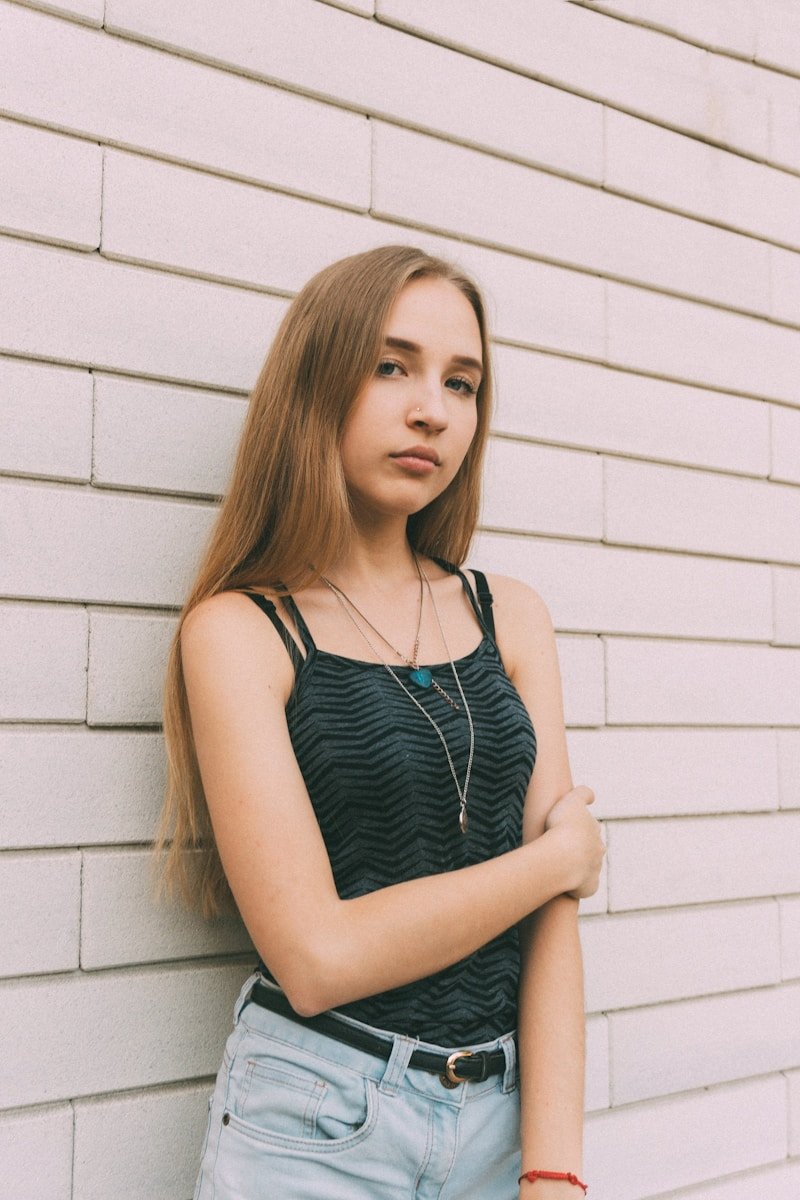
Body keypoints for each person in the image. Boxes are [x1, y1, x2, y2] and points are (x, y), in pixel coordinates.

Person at [155, 243, 605, 1199]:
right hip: (317, 1123)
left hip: (503, 1121)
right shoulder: (240, 632)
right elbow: (316, 958)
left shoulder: (511, 617)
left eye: (462, 382)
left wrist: (555, 1169)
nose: (432, 410)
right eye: (392, 366)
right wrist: (554, 861)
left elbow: (554, 927)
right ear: (316, 383)